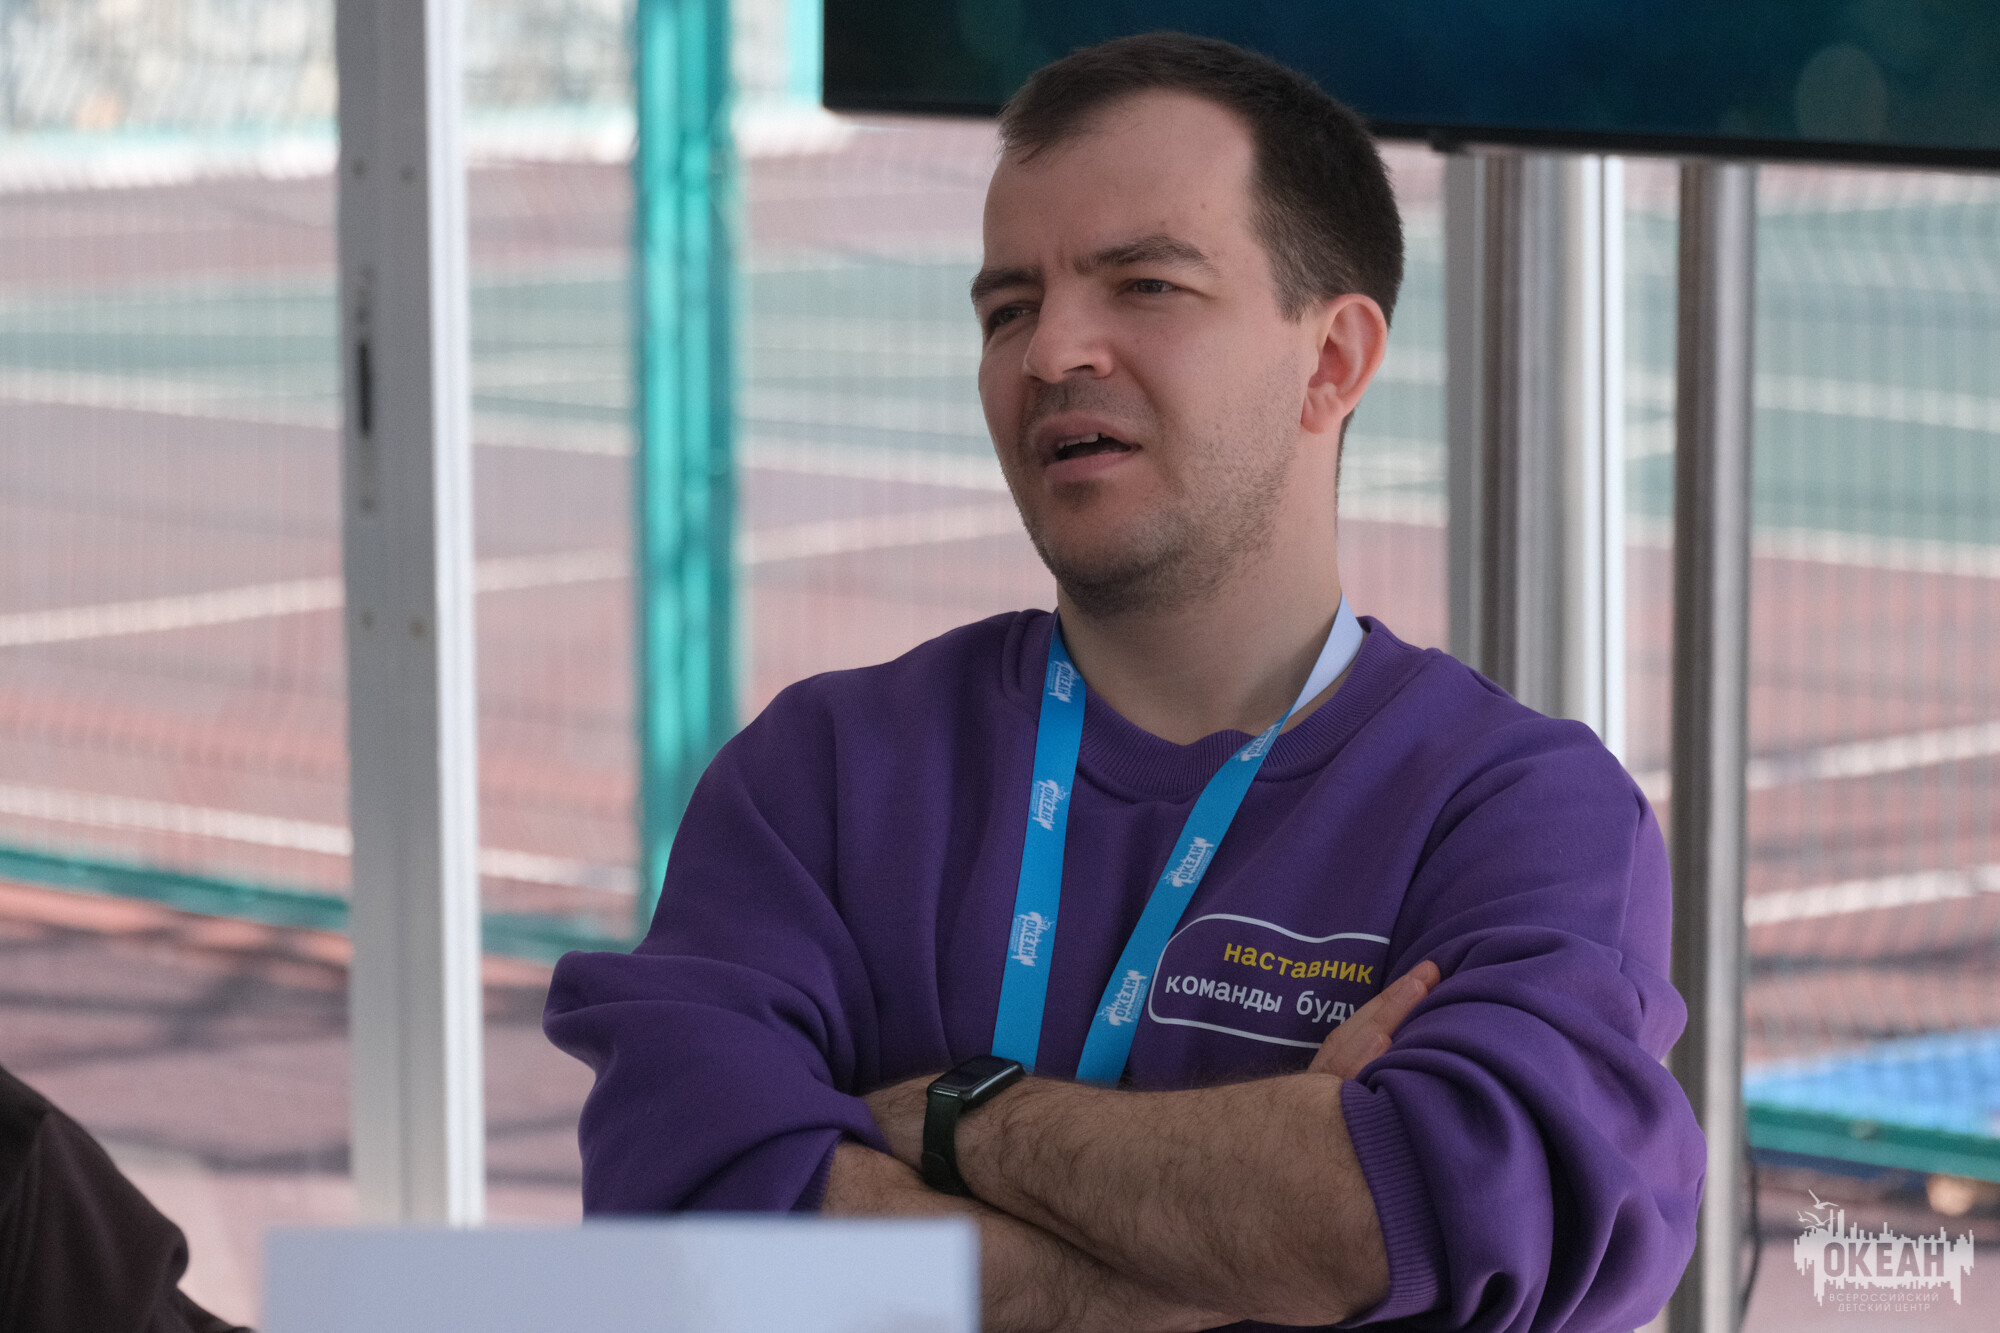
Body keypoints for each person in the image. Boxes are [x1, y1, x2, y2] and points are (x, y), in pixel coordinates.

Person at [545, 31, 1703, 1333]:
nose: (1051, 352)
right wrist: (1258, 1240)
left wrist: (961, 1121)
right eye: (1008, 307)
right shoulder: (823, 776)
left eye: (1145, 284)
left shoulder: (1520, 807)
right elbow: (684, 1221)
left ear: (1332, 361)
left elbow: (1463, 1207)